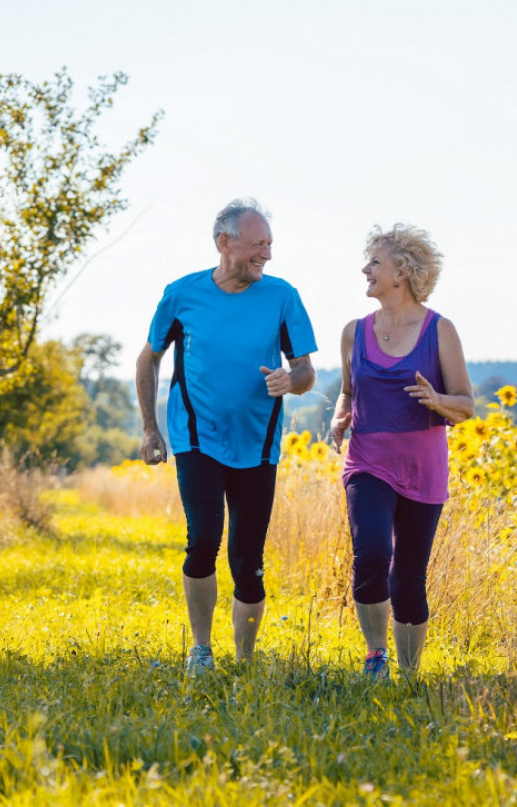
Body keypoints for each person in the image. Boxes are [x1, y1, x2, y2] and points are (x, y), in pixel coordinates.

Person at [136, 198, 317, 675]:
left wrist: (290, 380)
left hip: (258, 442)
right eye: (258, 245)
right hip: (197, 437)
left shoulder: (283, 297)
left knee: (248, 557)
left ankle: (244, 661)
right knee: (203, 540)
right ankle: (201, 650)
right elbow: (149, 358)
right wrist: (151, 427)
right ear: (225, 243)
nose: (267, 255)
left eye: (270, 245)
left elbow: (305, 372)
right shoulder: (182, 295)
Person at [330, 224, 474, 679]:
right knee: (371, 553)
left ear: (403, 272)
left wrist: (437, 401)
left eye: (375, 262)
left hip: (422, 469)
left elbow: (465, 405)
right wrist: (340, 417)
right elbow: (348, 391)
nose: (365, 269)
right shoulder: (354, 332)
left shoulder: (440, 330)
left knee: (408, 576)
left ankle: (410, 675)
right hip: (367, 462)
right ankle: (376, 657)